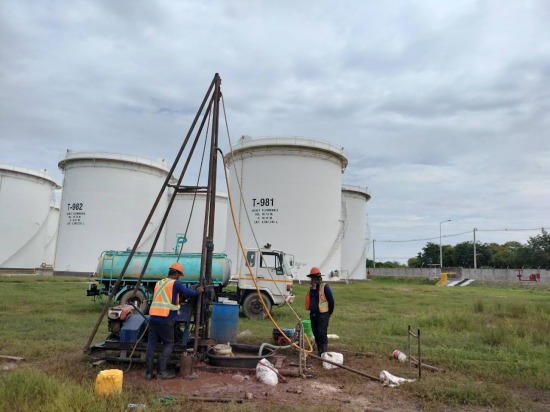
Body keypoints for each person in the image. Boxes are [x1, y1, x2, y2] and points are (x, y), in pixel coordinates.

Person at [145, 261, 204, 380]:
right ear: (176, 273)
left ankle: (149, 373)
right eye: (179, 275)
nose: (179, 277)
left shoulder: (159, 283)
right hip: (165, 318)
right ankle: (161, 372)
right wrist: (198, 291)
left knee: (151, 344)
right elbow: (187, 292)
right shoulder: (175, 283)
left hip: (153, 318)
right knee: (168, 343)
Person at [305, 266, 335, 356]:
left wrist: (329, 313)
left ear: (319, 278)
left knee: (322, 334)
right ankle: (320, 352)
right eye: (312, 278)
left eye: (315, 277)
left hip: (323, 315)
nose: (313, 279)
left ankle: (324, 353)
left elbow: (331, 301)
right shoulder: (311, 289)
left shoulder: (324, 287)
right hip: (313, 315)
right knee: (316, 333)